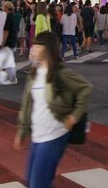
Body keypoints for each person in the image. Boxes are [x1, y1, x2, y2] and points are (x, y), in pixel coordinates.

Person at [15, 31, 93, 188]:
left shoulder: (60, 72)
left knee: (38, 184)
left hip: (55, 134)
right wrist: (22, 131)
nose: (33, 49)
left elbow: (86, 88)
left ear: (47, 49)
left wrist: (74, 117)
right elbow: (27, 103)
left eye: (37, 46)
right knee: (33, 182)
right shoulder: (34, 73)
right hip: (37, 135)